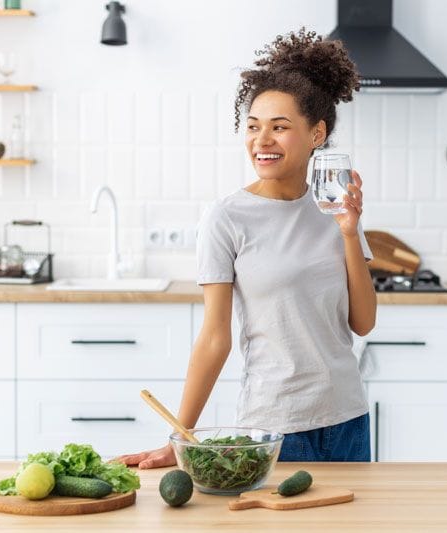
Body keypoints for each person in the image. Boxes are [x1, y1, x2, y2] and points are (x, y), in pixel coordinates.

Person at [115, 28, 376, 468]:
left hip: (349, 418)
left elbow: (363, 322)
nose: (262, 140)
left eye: (280, 127)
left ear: (317, 133)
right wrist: (180, 435)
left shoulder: (336, 210)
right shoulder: (227, 218)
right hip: (275, 425)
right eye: (254, 127)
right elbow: (216, 338)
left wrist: (350, 231)